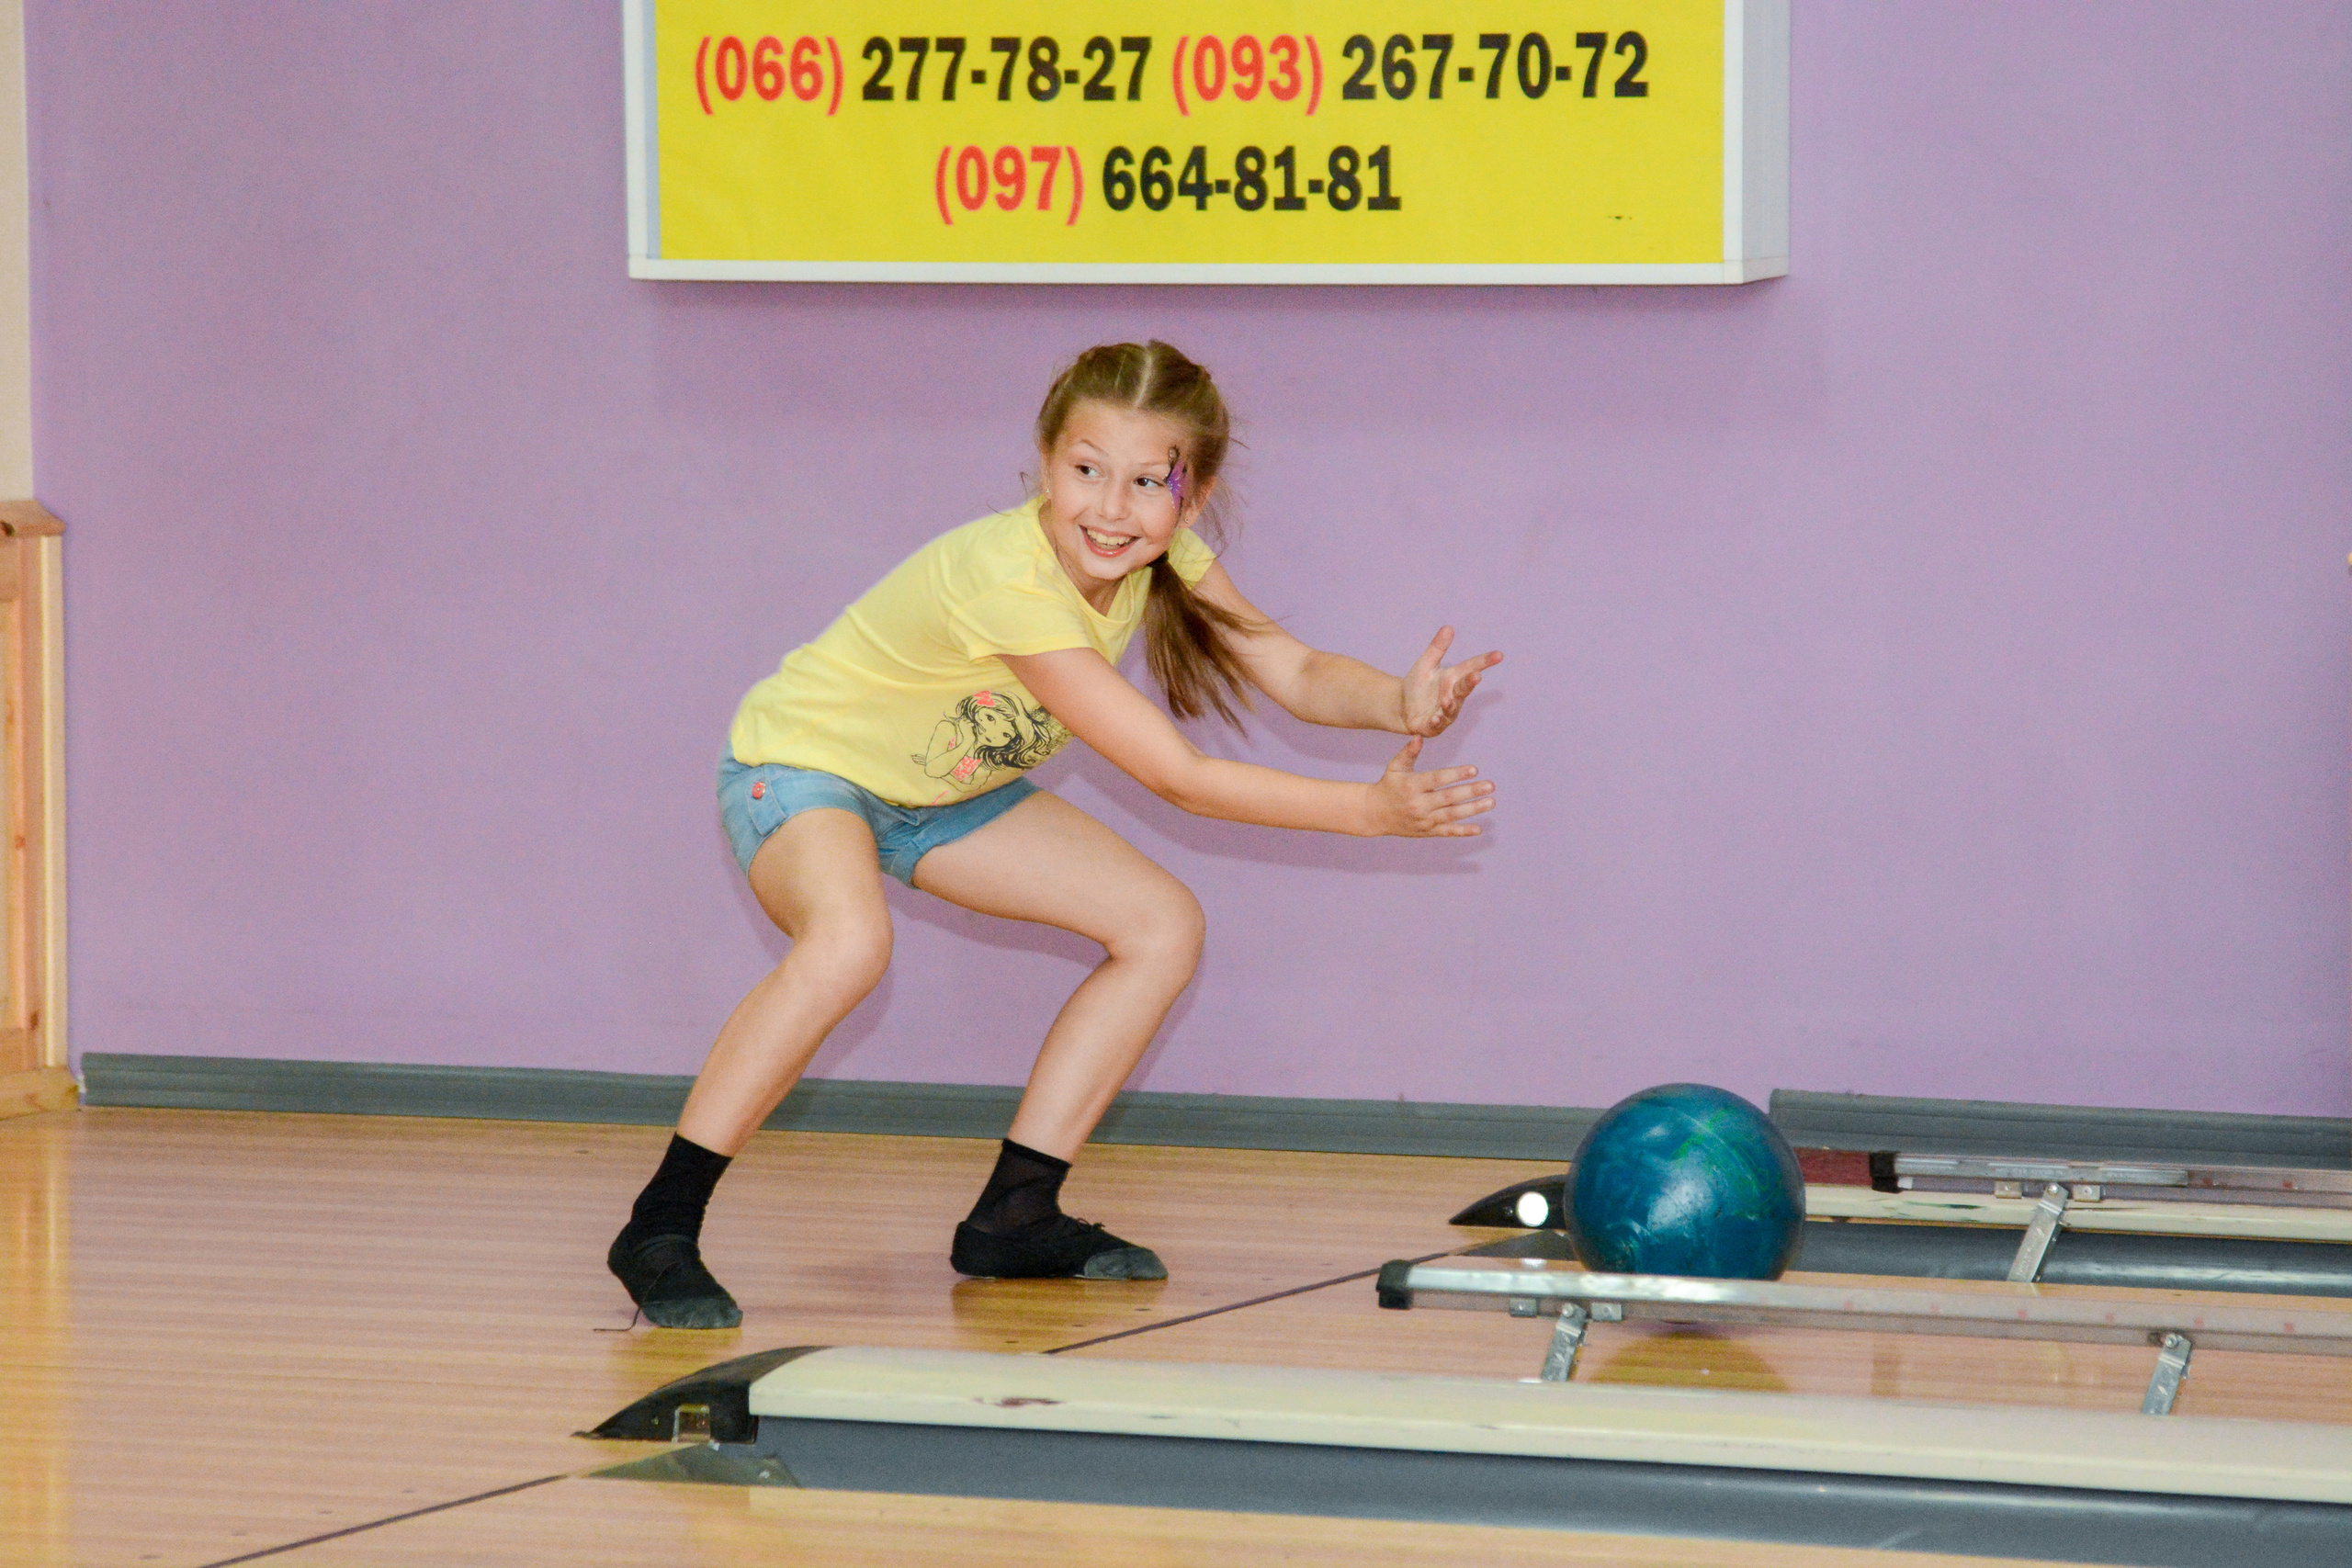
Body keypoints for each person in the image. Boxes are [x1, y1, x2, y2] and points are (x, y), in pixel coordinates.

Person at [609, 340, 1501, 1327]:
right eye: (1086, 472)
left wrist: (1396, 700)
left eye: (1144, 482)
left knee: (1160, 925)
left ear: (1189, 498)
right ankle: (660, 1225)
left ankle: (1015, 1217)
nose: (1112, 509)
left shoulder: (1165, 558)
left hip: (944, 793)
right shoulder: (1011, 580)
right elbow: (1179, 778)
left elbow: (1288, 669)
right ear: (1044, 463)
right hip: (806, 766)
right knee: (849, 944)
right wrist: (1365, 814)